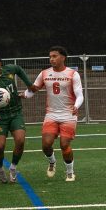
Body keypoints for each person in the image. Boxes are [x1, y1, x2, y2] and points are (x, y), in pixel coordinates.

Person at [0, 51, 37, 184]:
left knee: (20, 141)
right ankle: (0, 168)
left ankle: (13, 167)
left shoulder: (10, 70)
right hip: (1, 117)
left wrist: (29, 84)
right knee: (0, 146)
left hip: (16, 113)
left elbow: (19, 69)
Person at [32, 46, 85, 182]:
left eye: (54, 56)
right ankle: (52, 162)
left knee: (64, 144)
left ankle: (70, 172)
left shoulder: (73, 74)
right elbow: (34, 89)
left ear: (63, 57)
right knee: (46, 144)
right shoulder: (44, 73)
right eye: (50, 57)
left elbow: (80, 95)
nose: (51, 59)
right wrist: (24, 95)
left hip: (68, 114)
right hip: (51, 114)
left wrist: (76, 106)